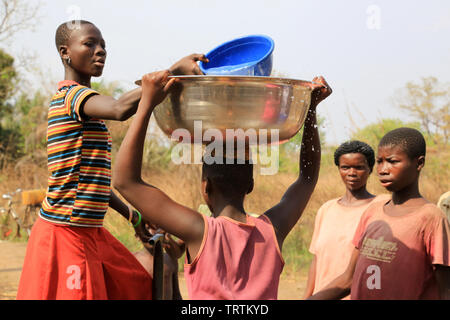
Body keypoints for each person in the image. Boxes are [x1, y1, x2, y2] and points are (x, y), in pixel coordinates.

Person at [16, 20, 207, 300]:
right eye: (89, 43)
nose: (100, 50)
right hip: (67, 232)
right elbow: (120, 108)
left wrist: (133, 215)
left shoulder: (86, 108)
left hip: (90, 231)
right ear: (64, 52)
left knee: (136, 283)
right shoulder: (71, 96)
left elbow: (94, 181)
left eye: (103, 44)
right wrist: (174, 70)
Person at [113, 70, 332, 299]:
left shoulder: (199, 230)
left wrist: (146, 103)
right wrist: (310, 110)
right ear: (250, 185)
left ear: (205, 187)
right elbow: (308, 176)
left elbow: (125, 182)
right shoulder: (272, 230)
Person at [308, 127, 450, 300]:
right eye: (380, 161)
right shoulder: (373, 212)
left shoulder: (431, 218)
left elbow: (445, 289)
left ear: (419, 163)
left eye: (392, 161)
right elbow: (349, 278)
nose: (383, 169)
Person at [303, 140, 390, 299]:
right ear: (339, 169)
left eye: (359, 167)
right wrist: (307, 296)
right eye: (345, 167)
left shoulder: (381, 207)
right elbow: (317, 258)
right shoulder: (326, 209)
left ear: (370, 169)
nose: (351, 173)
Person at [133, 224, 185, 300]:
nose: (152, 232)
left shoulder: (170, 259)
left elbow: (176, 294)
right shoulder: (134, 259)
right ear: (137, 236)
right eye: (147, 228)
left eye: (156, 228)